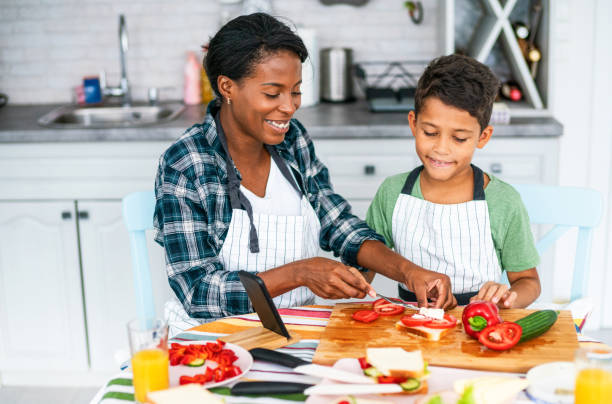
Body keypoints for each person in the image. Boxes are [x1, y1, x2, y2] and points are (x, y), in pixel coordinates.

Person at [154, 13, 456, 334]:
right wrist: (299, 273)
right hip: (216, 338)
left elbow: (337, 224)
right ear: (227, 86)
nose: (289, 107)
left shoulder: (292, 139)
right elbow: (199, 291)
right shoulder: (186, 163)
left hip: (297, 331)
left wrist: (410, 272)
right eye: (272, 93)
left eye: (295, 91)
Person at [366, 54, 541, 308]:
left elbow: (528, 281)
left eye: (459, 138)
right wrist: (353, 275)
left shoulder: (504, 202)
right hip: (409, 324)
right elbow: (368, 256)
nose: (441, 148)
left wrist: (507, 297)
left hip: (478, 325)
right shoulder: (392, 192)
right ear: (413, 124)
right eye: (430, 133)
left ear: (482, 137)